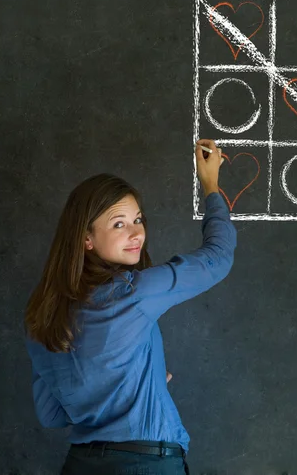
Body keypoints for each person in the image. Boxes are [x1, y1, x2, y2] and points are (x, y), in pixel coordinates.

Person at [23, 140, 235, 475]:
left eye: (138, 219)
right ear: (86, 238)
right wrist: (211, 186)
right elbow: (218, 258)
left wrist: (129, 386)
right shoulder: (135, 293)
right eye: (119, 224)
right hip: (145, 465)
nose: (137, 233)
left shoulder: (41, 316)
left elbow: (52, 415)